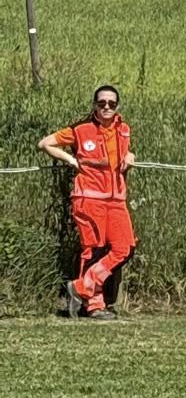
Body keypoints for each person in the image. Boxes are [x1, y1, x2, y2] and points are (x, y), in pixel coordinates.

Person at [38, 84, 137, 318]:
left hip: (117, 200)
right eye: (102, 103)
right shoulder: (80, 130)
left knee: (125, 247)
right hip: (89, 198)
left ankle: (81, 287)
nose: (106, 107)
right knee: (93, 251)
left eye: (111, 103)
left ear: (117, 106)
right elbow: (45, 144)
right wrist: (71, 161)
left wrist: (132, 156)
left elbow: (125, 154)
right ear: (94, 105)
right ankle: (93, 306)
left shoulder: (124, 129)